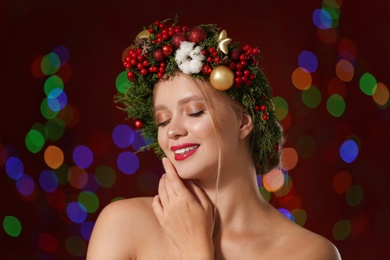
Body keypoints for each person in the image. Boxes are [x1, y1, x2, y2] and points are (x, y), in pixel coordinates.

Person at [87, 17, 341, 259]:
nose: (172, 130)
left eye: (194, 112)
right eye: (163, 120)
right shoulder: (123, 226)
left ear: (243, 122)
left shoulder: (310, 253)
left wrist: (196, 249)